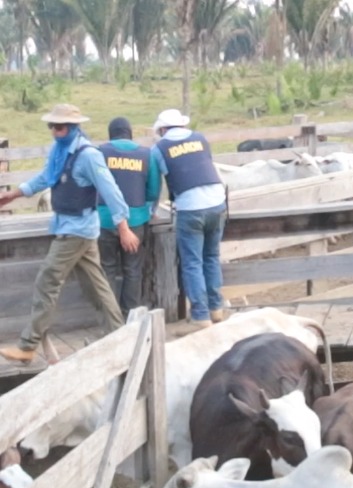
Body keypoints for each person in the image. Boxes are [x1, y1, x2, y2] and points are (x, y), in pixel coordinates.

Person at [0, 104, 139, 363]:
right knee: (96, 286)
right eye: (51, 126)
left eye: (60, 127)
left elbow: (110, 191)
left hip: (77, 229)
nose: (54, 131)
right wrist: (13, 194)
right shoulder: (59, 152)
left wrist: (123, 228)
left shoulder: (88, 156)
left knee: (47, 279)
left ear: (74, 128)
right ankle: (121, 336)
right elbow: (45, 178)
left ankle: (28, 345)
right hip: (69, 226)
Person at [150, 108, 227, 331]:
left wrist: (151, 210)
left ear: (162, 129)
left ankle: (201, 315)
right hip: (217, 202)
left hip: (190, 208)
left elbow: (156, 186)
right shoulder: (200, 139)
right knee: (211, 256)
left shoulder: (159, 149)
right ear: (182, 125)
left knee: (192, 262)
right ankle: (217, 308)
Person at [98, 117, 161, 318]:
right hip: (135, 220)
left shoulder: (100, 152)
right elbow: (153, 190)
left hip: (104, 219)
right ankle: (131, 316)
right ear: (130, 132)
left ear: (111, 133)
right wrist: (148, 209)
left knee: (106, 268)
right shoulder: (145, 154)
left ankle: (110, 318)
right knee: (132, 269)